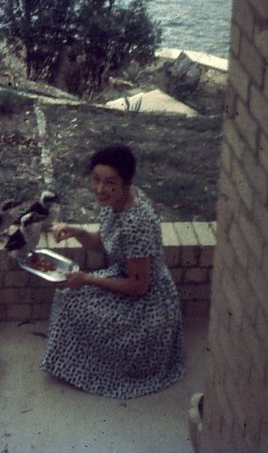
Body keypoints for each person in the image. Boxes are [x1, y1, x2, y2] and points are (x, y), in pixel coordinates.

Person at [41, 144, 185, 399]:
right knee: (67, 294)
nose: (100, 189)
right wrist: (78, 232)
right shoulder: (117, 202)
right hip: (125, 279)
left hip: (148, 305)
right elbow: (104, 243)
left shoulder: (136, 223)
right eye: (96, 179)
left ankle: (89, 366)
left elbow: (139, 286)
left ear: (127, 182)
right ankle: (77, 359)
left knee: (71, 299)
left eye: (109, 182)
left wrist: (87, 279)